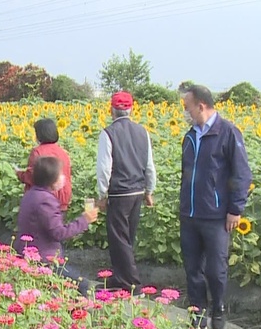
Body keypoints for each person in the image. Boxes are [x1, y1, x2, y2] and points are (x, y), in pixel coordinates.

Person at [179, 84, 253, 329]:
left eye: (188, 108)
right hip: (189, 214)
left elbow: (242, 174)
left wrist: (235, 209)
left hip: (216, 215)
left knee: (215, 268)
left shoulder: (228, 132)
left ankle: (218, 307)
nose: (186, 113)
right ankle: (197, 316)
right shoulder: (190, 136)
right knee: (193, 269)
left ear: (201, 106)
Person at [95, 90, 156, 294]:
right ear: (131, 110)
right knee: (127, 237)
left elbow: (104, 168)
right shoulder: (142, 132)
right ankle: (119, 278)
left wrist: (102, 195)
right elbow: (149, 165)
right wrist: (149, 190)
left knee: (118, 238)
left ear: (112, 110)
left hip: (119, 192)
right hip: (137, 191)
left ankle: (132, 284)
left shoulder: (108, 133)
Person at [13, 156, 99, 297]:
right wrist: (85, 220)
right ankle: (78, 311)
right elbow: (59, 233)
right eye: (61, 174)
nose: (64, 178)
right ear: (52, 179)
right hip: (42, 260)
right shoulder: (45, 200)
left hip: (27, 254)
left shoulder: (31, 194)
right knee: (83, 285)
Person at [16, 118, 73, 211]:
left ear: (39, 134)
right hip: (62, 200)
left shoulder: (37, 152)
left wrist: (19, 174)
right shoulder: (63, 152)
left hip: (44, 201)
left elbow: (33, 177)